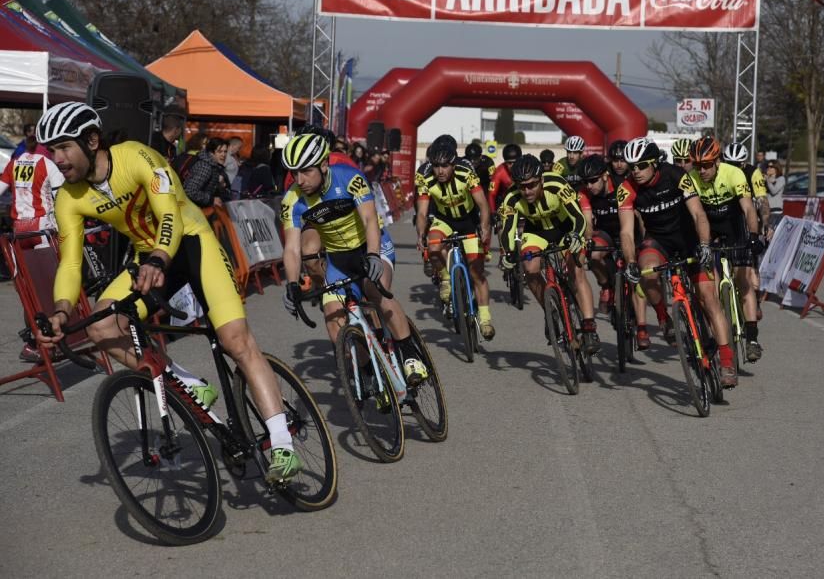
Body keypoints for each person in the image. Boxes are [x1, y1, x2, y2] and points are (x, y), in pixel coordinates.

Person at [34, 102, 301, 483]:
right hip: (149, 259)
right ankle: (188, 383)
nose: (57, 159)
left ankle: (282, 446)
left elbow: (171, 213)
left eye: (63, 147)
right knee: (101, 326)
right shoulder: (69, 197)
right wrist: (60, 311)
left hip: (192, 244)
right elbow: (71, 264)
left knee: (236, 341)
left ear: (91, 140)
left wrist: (158, 259)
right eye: (51, 151)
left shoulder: (138, 157)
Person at [279, 132, 429, 388]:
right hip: (338, 259)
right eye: (294, 173)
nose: (299, 180)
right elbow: (293, 248)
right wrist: (292, 284)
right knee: (332, 315)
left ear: (324, 164)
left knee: (374, 290)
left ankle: (410, 353)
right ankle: (368, 370)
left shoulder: (350, 178)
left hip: (372, 246)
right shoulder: (292, 200)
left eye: (306, 171)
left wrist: (372, 255)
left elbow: (371, 220)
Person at [617, 137, 738, 387]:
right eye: (632, 167)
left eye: (641, 165)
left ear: (654, 163)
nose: (635, 171)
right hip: (658, 240)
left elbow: (698, 214)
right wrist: (629, 261)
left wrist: (704, 245)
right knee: (646, 270)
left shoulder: (675, 176)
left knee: (708, 298)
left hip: (688, 239)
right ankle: (664, 318)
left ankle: (727, 362)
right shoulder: (626, 189)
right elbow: (627, 232)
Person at [497, 154, 600, 354]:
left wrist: (577, 236)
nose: (527, 191)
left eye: (532, 185)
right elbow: (508, 230)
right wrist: (508, 253)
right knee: (530, 268)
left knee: (576, 270)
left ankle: (589, 327)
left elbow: (578, 217)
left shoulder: (557, 184)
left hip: (565, 229)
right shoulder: (511, 198)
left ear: (541, 179)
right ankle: (550, 309)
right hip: (536, 233)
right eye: (522, 186)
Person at [681, 137, 765, 364]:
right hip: (711, 229)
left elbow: (748, 209)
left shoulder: (733, 173)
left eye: (707, 164)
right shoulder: (691, 179)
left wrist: (755, 236)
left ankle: (752, 339)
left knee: (743, 279)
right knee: (710, 290)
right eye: (698, 165)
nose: (703, 170)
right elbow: (696, 216)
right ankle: (717, 336)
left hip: (736, 227)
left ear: (717, 161)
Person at [415, 141, 495, 339]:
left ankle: (484, 319)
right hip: (445, 221)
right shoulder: (427, 180)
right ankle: (445, 278)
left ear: (453, 164)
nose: (440, 171)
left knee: (477, 272)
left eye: (445, 166)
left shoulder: (465, 175)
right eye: (436, 166)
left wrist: (484, 228)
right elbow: (422, 214)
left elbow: (483, 205)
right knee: (433, 248)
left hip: (468, 221)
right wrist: (420, 234)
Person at [0, 126, 65, 361]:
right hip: (43, 229)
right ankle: (40, 340)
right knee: (49, 288)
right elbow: (61, 195)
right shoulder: (47, 164)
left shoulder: (15, 162)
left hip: (20, 230)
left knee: (30, 290)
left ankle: (34, 340)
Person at [576, 154, 649, 350]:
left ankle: (640, 325)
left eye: (593, 180)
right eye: (585, 182)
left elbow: (639, 216)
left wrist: (644, 239)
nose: (589, 185)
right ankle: (606, 285)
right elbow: (588, 223)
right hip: (606, 233)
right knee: (593, 254)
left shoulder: (622, 186)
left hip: (628, 232)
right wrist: (589, 240)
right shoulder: (585, 193)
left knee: (635, 275)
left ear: (605, 176)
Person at [722, 143, 769, 239]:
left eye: (736, 164)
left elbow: (762, 200)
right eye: (730, 164)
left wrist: (765, 222)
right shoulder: (720, 170)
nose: (733, 168)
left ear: (744, 162)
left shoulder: (753, 172)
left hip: (744, 213)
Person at [182, 137, 229, 208]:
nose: (223, 155)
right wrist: (211, 200)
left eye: (225, 151)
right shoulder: (205, 166)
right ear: (211, 153)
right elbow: (190, 190)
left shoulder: (214, 165)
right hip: (193, 210)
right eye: (219, 151)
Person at [487, 143, 522, 215]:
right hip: (505, 202)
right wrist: (493, 213)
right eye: (509, 163)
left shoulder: (526, 168)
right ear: (505, 162)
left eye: (515, 162)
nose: (512, 166)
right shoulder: (498, 172)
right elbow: (491, 195)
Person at [765, 161, 785, 231]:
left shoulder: (781, 179)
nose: (768, 168)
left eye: (771, 167)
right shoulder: (766, 179)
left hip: (775, 211)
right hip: (766, 210)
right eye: (768, 166)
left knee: (772, 234)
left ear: (776, 168)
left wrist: (767, 179)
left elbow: (774, 191)